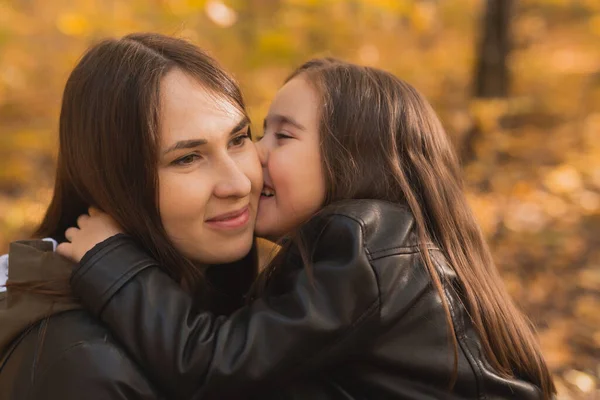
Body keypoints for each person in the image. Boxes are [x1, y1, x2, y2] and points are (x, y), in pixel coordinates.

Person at [59, 59, 556, 399]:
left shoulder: (360, 241)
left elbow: (215, 366)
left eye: (283, 135)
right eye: (257, 132)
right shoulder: (391, 252)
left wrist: (113, 260)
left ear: (351, 159)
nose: (256, 153)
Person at [0, 32, 262, 399]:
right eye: (187, 158)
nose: (238, 183)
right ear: (113, 182)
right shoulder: (84, 368)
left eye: (239, 139)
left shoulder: (212, 306)